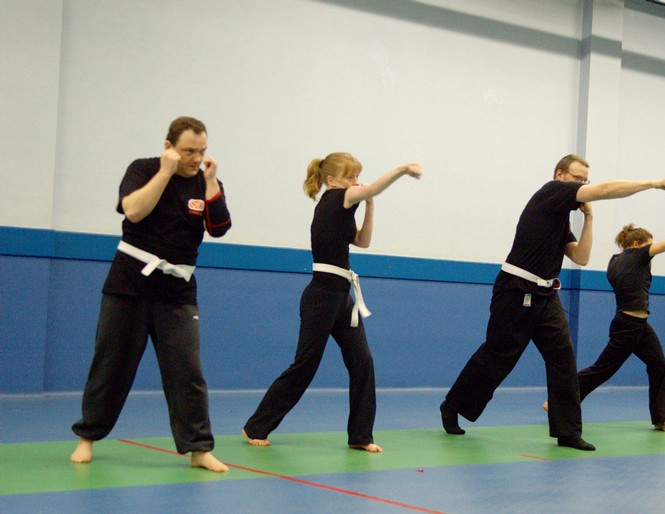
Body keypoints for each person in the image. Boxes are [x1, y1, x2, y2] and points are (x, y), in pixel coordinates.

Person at [440, 154, 665, 451]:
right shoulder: (550, 192)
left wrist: (589, 218)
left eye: (585, 180)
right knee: (499, 354)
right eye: (577, 178)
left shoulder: (559, 218)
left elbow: (581, 257)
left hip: (546, 294)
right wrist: (654, 183)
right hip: (515, 289)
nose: (582, 184)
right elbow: (605, 190)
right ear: (560, 175)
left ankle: (568, 432)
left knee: (563, 359)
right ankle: (452, 405)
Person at [70, 116, 231, 472]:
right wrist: (165, 172)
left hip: (177, 293)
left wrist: (210, 183)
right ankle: (87, 437)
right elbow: (134, 211)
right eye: (188, 151)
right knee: (110, 365)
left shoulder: (205, 181)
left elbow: (219, 228)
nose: (196, 158)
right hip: (128, 286)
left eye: (202, 151)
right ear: (169, 147)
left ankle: (199, 449)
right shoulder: (143, 169)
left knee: (187, 371)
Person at [242, 153, 422, 453]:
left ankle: (360, 436)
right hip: (321, 296)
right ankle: (256, 426)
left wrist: (371, 206)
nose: (356, 182)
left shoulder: (341, 209)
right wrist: (403, 169)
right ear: (332, 180)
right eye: (350, 177)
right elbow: (374, 187)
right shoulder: (336, 198)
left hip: (342, 297)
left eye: (357, 176)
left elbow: (363, 242)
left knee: (362, 362)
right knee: (305, 366)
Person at [546, 223, 665, 433]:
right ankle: (557, 400)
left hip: (638, 325)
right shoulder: (637, 256)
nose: (652, 253)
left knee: (659, 364)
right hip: (628, 326)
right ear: (635, 244)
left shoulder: (614, 261)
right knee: (602, 370)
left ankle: (660, 419)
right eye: (649, 247)